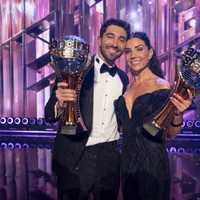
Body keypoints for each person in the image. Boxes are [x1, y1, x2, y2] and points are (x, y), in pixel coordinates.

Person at [45, 18, 131, 200]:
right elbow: (49, 115)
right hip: (76, 156)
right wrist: (59, 104)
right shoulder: (75, 65)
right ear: (99, 39)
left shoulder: (123, 78)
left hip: (109, 158)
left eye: (121, 39)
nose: (115, 43)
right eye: (110, 36)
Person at [114, 32, 193, 200]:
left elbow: (171, 133)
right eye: (128, 51)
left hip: (153, 169)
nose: (133, 55)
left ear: (150, 53)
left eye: (139, 49)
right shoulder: (126, 87)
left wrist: (178, 113)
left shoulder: (162, 87)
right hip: (127, 169)